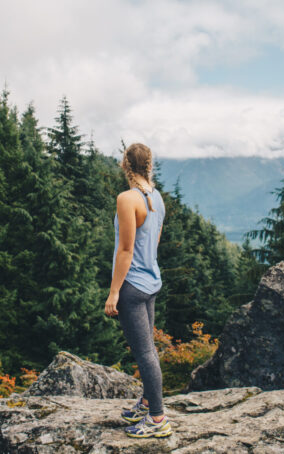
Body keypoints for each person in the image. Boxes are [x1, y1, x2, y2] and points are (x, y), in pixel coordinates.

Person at [104, 142, 172, 439]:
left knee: (145, 353)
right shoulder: (156, 198)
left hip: (133, 287)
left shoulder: (127, 198)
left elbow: (126, 249)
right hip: (152, 282)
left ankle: (157, 419)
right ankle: (147, 403)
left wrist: (114, 292)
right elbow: (153, 243)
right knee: (149, 351)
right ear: (149, 165)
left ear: (125, 165)